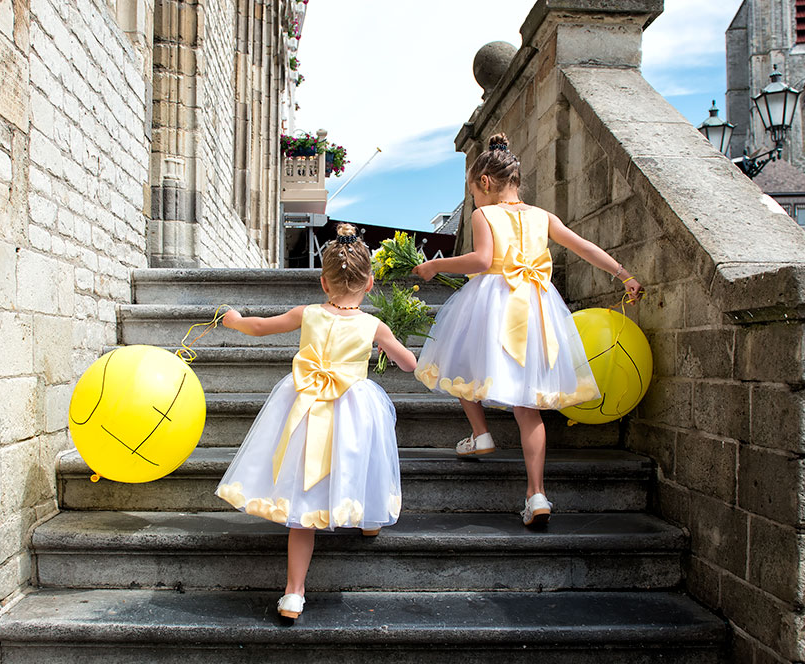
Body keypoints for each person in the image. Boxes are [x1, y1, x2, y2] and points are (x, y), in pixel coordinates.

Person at [412, 132, 643, 530]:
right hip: (537, 308)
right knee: (528, 403)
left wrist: (435, 266)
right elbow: (584, 247)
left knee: (459, 360)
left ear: (484, 183)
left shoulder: (485, 215)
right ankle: (536, 493)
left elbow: (483, 260)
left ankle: (481, 433)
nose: (473, 203)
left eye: (472, 195)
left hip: (495, 303)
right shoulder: (542, 217)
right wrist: (623, 274)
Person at [216, 223, 418, 621]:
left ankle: (293, 593)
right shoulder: (373, 326)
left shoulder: (306, 313)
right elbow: (408, 363)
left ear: (324, 283)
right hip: (353, 407)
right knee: (361, 463)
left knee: (303, 496)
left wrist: (234, 319)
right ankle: (368, 518)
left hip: (304, 405)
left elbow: (260, 327)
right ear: (371, 283)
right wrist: (402, 352)